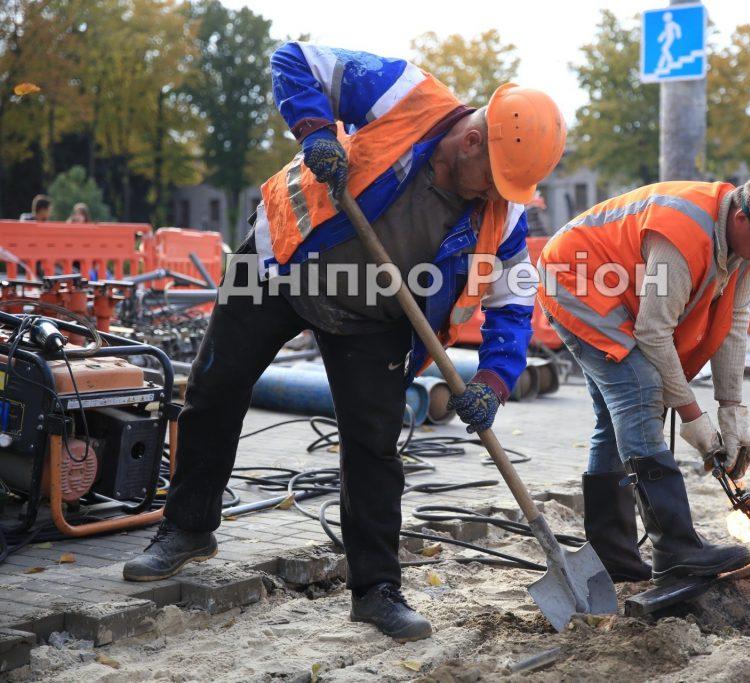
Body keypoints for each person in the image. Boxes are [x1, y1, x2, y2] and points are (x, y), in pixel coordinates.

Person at [122, 42, 566, 643]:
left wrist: (493, 380)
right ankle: (188, 527)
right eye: (492, 180)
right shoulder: (404, 94)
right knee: (215, 388)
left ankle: (376, 590)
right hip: (281, 261)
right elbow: (293, 59)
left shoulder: (504, 211)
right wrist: (315, 131)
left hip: (376, 315)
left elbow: (513, 305)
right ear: (470, 143)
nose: (495, 196)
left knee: (374, 445)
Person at [536, 169, 750, 585]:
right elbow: (653, 331)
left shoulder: (746, 245)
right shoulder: (684, 238)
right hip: (576, 277)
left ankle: (613, 557)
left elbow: (732, 322)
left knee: (617, 420)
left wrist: (732, 412)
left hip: (617, 285)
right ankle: (675, 547)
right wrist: (691, 415)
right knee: (641, 390)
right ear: (743, 219)